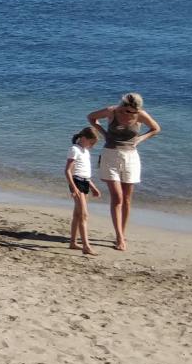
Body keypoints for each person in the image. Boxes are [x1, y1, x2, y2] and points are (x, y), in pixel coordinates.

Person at [88, 93, 161, 251]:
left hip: (131, 158)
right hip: (110, 156)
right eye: (127, 111)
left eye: (133, 112)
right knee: (117, 197)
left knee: (127, 199)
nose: (130, 114)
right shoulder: (112, 111)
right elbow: (91, 117)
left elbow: (156, 129)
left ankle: (122, 232)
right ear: (123, 106)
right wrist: (104, 133)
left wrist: (140, 139)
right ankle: (119, 237)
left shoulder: (140, 114)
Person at [65, 127, 104, 255]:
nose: (92, 146)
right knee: (84, 215)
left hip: (85, 182)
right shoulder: (74, 149)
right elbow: (68, 171)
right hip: (77, 182)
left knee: (77, 214)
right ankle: (86, 246)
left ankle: (73, 242)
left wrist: (93, 187)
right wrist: (74, 187)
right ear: (84, 138)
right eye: (91, 142)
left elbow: (85, 174)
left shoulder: (85, 151)